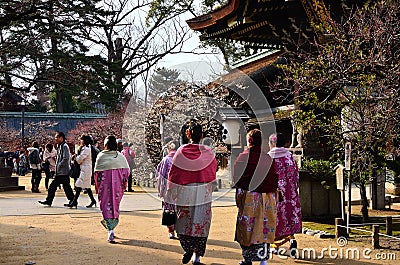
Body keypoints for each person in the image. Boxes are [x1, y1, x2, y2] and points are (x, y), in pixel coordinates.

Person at [166, 120, 217, 265]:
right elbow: (213, 170)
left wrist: (171, 192)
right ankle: (197, 257)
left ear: (188, 135)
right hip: (203, 191)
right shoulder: (208, 152)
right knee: (201, 222)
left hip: (185, 192)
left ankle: (187, 248)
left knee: (184, 221)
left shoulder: (181, 152)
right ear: (202, 136)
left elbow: (174, 173)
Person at [233, 129, 279, 265]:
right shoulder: (267, 158)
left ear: (249, 141)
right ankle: (263, 260)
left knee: (248, 227)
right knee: (264, 226)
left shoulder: (243, 157)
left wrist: (240, 199)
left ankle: (247, 259)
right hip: (266, 197)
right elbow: (273, 178)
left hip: (249, 197)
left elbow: (238, 179)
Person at [268, 133, 302, 254]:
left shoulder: (269, 157)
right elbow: (296, 175)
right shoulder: (290, 156)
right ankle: (291, 238)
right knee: (289, 216)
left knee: (274, 218)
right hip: (290, 193)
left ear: (272, 143)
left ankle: (274, 244)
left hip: (275, 194)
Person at [94, 135, 130, 243]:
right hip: (117, 187)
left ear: (106, 145)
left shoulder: (101, 156)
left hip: (104, 187)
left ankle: (110, 229)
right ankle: (111, 227)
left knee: (105, 205)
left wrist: (97, 185)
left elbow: (97, 174)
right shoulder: (120, 157)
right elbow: (126, 172)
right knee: (115, 204)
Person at [38, 132, 75, 207]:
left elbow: (66, 158)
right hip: (61, 171)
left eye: (56, 137)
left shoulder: (64, 146)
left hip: (63, 171)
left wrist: (59, 166)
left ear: (61, 138)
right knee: (66, 187)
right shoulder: (60, 146)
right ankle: (72, 200)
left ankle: (49, 200)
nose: (55, 139)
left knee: (54, 186)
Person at [65, 134, 97, 208]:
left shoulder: (86, 149)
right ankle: (92, 200)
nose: (80, 141)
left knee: (78, 185)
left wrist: (76, 156)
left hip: (85, 169)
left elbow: (80, 159)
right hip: (85, 169)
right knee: (87, 187)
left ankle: (74, 202)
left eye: (81, 140)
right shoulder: (85, 148)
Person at [156, 139, 179, 239]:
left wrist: (161, 190)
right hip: (180, 189)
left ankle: (171, 231)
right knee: (180, 210)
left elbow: (160, 176)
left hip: (168, 190)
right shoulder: (182, 159)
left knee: (169, 210)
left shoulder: (166, 160)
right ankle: (180, 231)